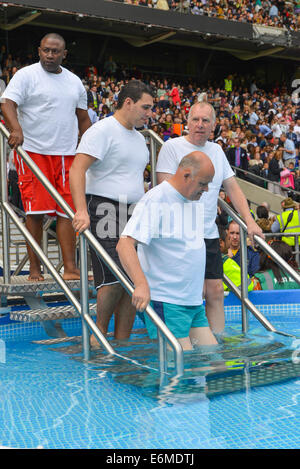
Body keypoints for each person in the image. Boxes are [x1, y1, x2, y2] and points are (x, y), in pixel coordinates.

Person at [156, 101, 263, 334]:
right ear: (187, 122)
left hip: (208, 233)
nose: (200, 125)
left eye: (206, 121)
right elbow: (164, 189)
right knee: (188, 293)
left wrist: (250, 221)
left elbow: (233, 188)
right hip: (180, 235)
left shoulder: (216, 151)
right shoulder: (172, 148)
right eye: (195, 119)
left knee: (215, 291)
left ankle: (217, 342)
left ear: (214, 126)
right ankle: (184, 342)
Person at [1, 33, 91, 281]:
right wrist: (16, 129)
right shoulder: (26, 75)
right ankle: (35, 268)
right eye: (46, 50)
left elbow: (83, 118)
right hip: (33, 152)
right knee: (36, 212)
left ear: (64, 54)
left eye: (55, 51)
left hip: (67, 155)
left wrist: (90, 147)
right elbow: (7, 103)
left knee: (66, 213)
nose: (50, 55)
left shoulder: (74, 82)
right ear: (38, 50)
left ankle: (70, 268)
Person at [70, 80, 154, 345]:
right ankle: (100, 334)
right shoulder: (102, 130)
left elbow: (134, 178)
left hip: (133, 212)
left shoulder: (139, 139)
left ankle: (122, 341)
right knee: (114, 278)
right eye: (145, 107)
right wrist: (81, 210)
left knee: (131, 277)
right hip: (103, 208)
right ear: (128, 102)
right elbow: (77, 169)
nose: (149, 113)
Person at [116, 151, 217, 351]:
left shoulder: (192, 200)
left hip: (192, 301)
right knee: (181, 365)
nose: (206, 189)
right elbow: (124, 244)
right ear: (186, 175)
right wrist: (141, 285)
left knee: (213, 361)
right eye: (203, 183)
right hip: (167, 301)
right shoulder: (157, 199)